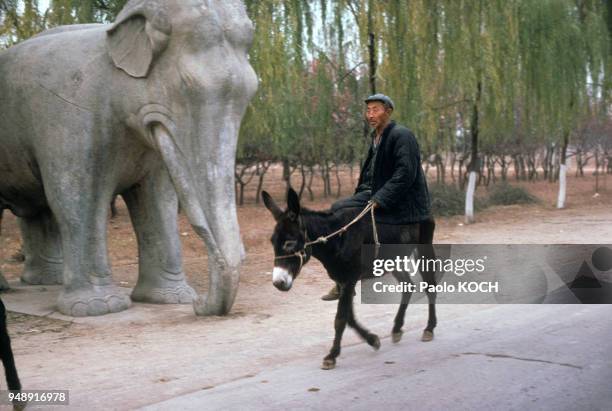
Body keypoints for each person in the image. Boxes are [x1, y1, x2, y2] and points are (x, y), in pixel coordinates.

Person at [321, 94, 433, 300]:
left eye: (375, 110)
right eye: (368, 110)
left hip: (404, 198)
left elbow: (405, 173)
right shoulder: (376, 138)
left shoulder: (402, 135)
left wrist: (381, 197)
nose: (370, 115)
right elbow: (372, 175)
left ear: (388, 112)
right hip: (374, 192)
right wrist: (365, 192)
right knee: (337, 211)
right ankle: (344, 280)